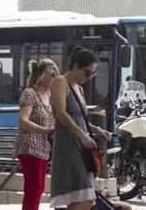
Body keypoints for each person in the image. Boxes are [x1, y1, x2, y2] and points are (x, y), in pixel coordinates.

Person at [49, 46, 111, 210]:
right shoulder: (61, 82)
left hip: (81, 147)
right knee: (85, 197)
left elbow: (78, 118)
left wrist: (97, 130)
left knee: (83, 198)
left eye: (92, 74)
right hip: (69, 146)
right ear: (75, 66)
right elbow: (61, 113)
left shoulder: (79, 88)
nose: (89, 77)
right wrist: (82, 135)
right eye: (87, 72)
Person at [13, 59, 59, 210]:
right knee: (34, 188)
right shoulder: (30, 93)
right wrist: (45, 131)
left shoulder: (51, 95)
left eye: (57, 74)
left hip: (43, 147)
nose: (55, 77)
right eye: (53, 74)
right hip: (29, 145)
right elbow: (23, 121)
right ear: (42, 76)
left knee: (39, 189)